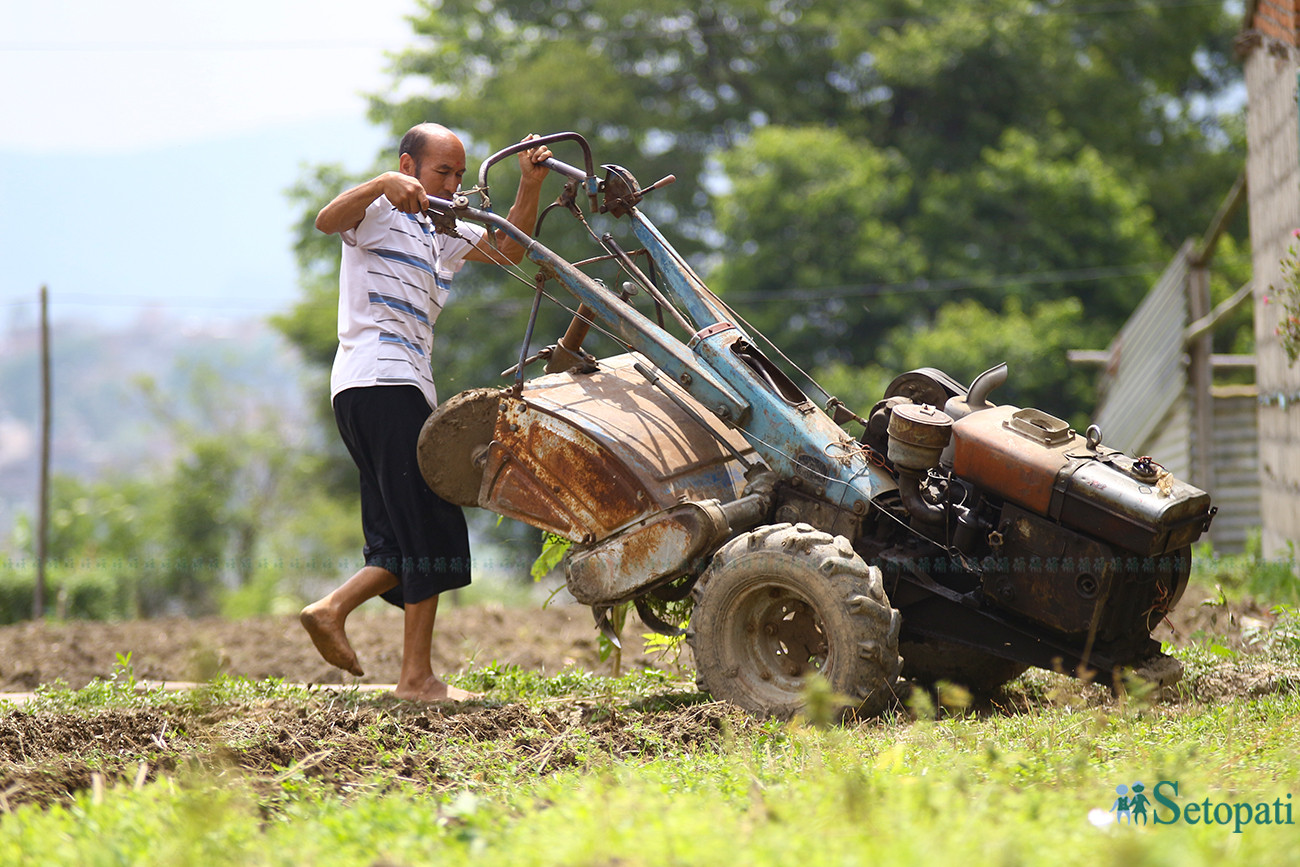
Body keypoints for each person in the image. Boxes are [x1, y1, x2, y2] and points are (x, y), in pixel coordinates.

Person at [300, 123, 551, 701]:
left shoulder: (442, 231)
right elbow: (327, 220)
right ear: (408, 167)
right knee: (432, 530)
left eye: (460, 175)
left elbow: (508, 249)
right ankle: (415, 678)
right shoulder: (378, 211)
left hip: (381, 390)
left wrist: (529, 187)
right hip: (383, 383)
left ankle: (332, 609)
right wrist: (382, 184)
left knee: (397, 539)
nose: (454, 184)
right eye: (443, 172)